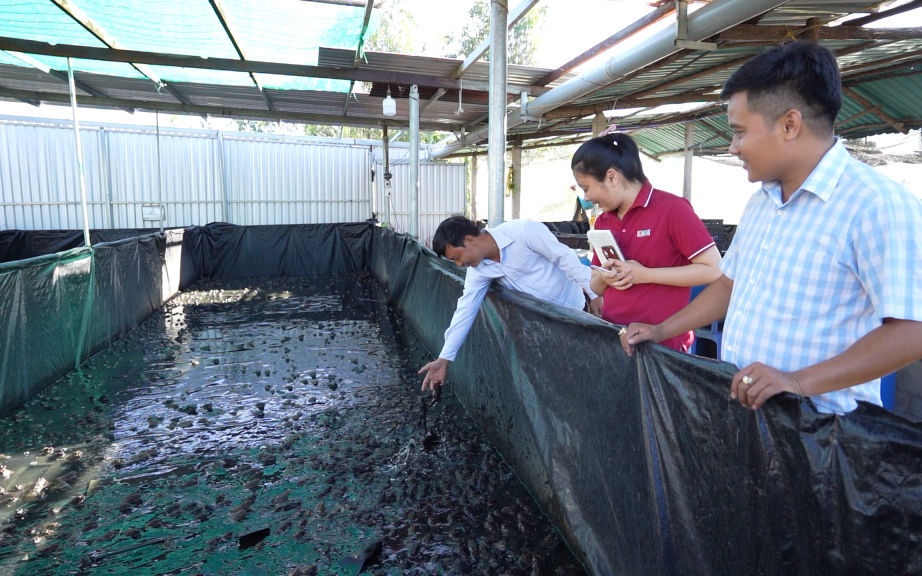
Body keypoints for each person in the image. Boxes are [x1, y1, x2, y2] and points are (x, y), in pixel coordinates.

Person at [620, 41, 922, 414]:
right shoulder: (762, 202)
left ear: (789, 125)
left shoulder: (877, 204)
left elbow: (912, 330)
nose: (732, 147)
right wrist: (662, 330)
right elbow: (730, 284)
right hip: (751, 418)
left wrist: (797, 382)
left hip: (823, 437)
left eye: (740, 131)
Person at [573, 133, 723, 352]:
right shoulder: (604, 221)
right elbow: (595, 285)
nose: (586, 198)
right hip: (616, 337)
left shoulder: (672, 209)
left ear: (612, 177)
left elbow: (714, 270)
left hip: (663, 345)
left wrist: (645, 275)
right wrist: (606, 278)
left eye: (586, 188)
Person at [419, 215, 600, 390]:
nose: (458, 264)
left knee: (586, 370)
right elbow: (465, 310)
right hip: (543, 331)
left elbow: (565, 258)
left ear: (469, 240)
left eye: (457, 257)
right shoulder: (479, 271)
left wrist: (594, 294)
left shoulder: (523, 232)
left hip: (576, 313)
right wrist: (444, 359)